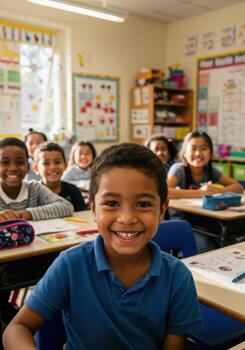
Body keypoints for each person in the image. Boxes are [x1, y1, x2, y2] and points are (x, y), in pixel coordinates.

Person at [3, 143, 202, 350]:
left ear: (162, 210)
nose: (126, 218)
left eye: (143, 204)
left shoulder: (178, 277)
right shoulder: (71, 265)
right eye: (112, 204)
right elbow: (18, 328)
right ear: (93, 209)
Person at [167, 130, 243, 252]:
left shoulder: (211, 170)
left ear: (210, 153)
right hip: (183, 221)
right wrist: (201, 192)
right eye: (193, 148)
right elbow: (165, 191)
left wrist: (218, 189)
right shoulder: (179, 169)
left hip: (205, 219)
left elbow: (238, 187)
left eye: (204, 148)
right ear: (184, 153)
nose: (198, 153)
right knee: (205, 246)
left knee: (229, 238)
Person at [0, 137, 74, 221]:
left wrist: (23, 214)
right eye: (5, 162)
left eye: (20, 162)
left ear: (28, 167)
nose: (12, 168)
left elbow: (66, 207)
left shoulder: (35, 188)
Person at [34, 142, 87, 212]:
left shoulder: (73, 190)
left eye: (57, 162)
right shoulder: (33, 193)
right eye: (46, 163)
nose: (52, 167)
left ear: (65, 165)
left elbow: (83, 214)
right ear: (36, 168)